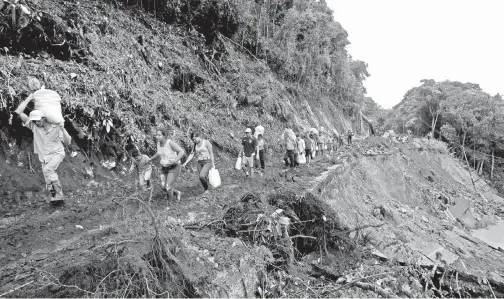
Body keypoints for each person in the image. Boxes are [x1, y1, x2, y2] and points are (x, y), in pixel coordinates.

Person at [15, 100, 71, 203]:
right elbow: (19, 112)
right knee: (48, 180)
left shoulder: (56, 128)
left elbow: (68, 142)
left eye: (38, 120)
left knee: (48, 170)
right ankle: (55, 198)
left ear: (44, 118)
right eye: (35, 121)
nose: (37, 122)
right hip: (44, 157)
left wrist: (63, 130)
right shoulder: (34, 127)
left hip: (57, 153)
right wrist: (29, 98)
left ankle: (59, 195)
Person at [149, 129, 185, 202]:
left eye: (159, 135)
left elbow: (181, 152)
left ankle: (169, 205)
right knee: (163, 187)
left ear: (164, 136)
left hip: (174, 167)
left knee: (168, 186)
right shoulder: (158, 144)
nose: (157, 137)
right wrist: (150, 159)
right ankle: (177, 193)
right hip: (164, 167)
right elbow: (159, 153)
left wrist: (175, 160)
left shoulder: (170, 143)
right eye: (156, 135)